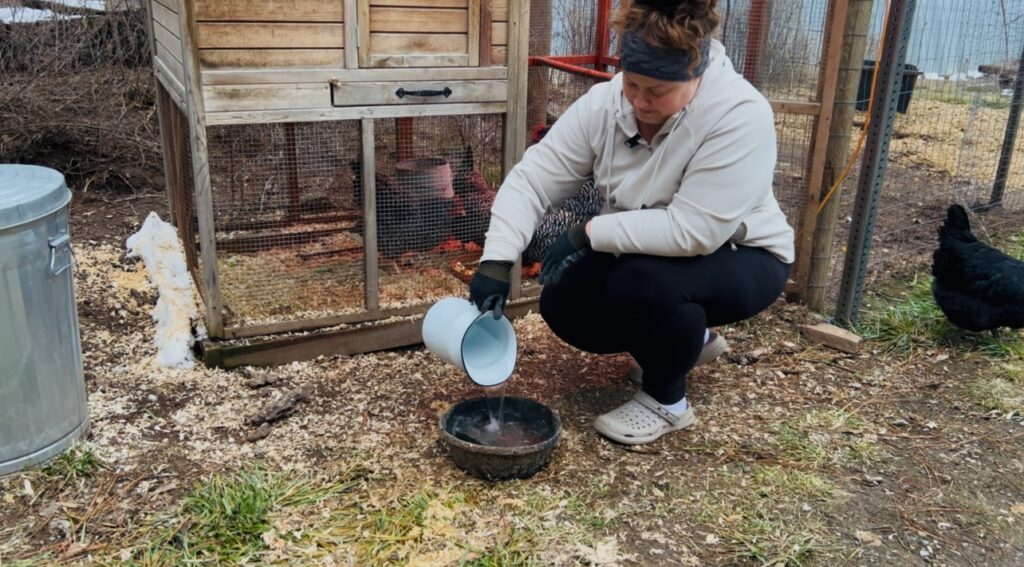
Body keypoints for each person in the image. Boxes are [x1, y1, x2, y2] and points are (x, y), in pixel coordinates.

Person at [468, 0, 794, 445]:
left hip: (745, 255)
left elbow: (693, 231)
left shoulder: (739, 113)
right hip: (647, 250)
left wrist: (586, 232)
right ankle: (686, 342)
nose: (640, 100)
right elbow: (533, 180)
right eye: (632, 83)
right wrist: (497, 259)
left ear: (695, 71)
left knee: (645, 283)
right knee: (564, 304)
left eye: (657, 90)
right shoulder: (605, 103)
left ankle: (667, 400)